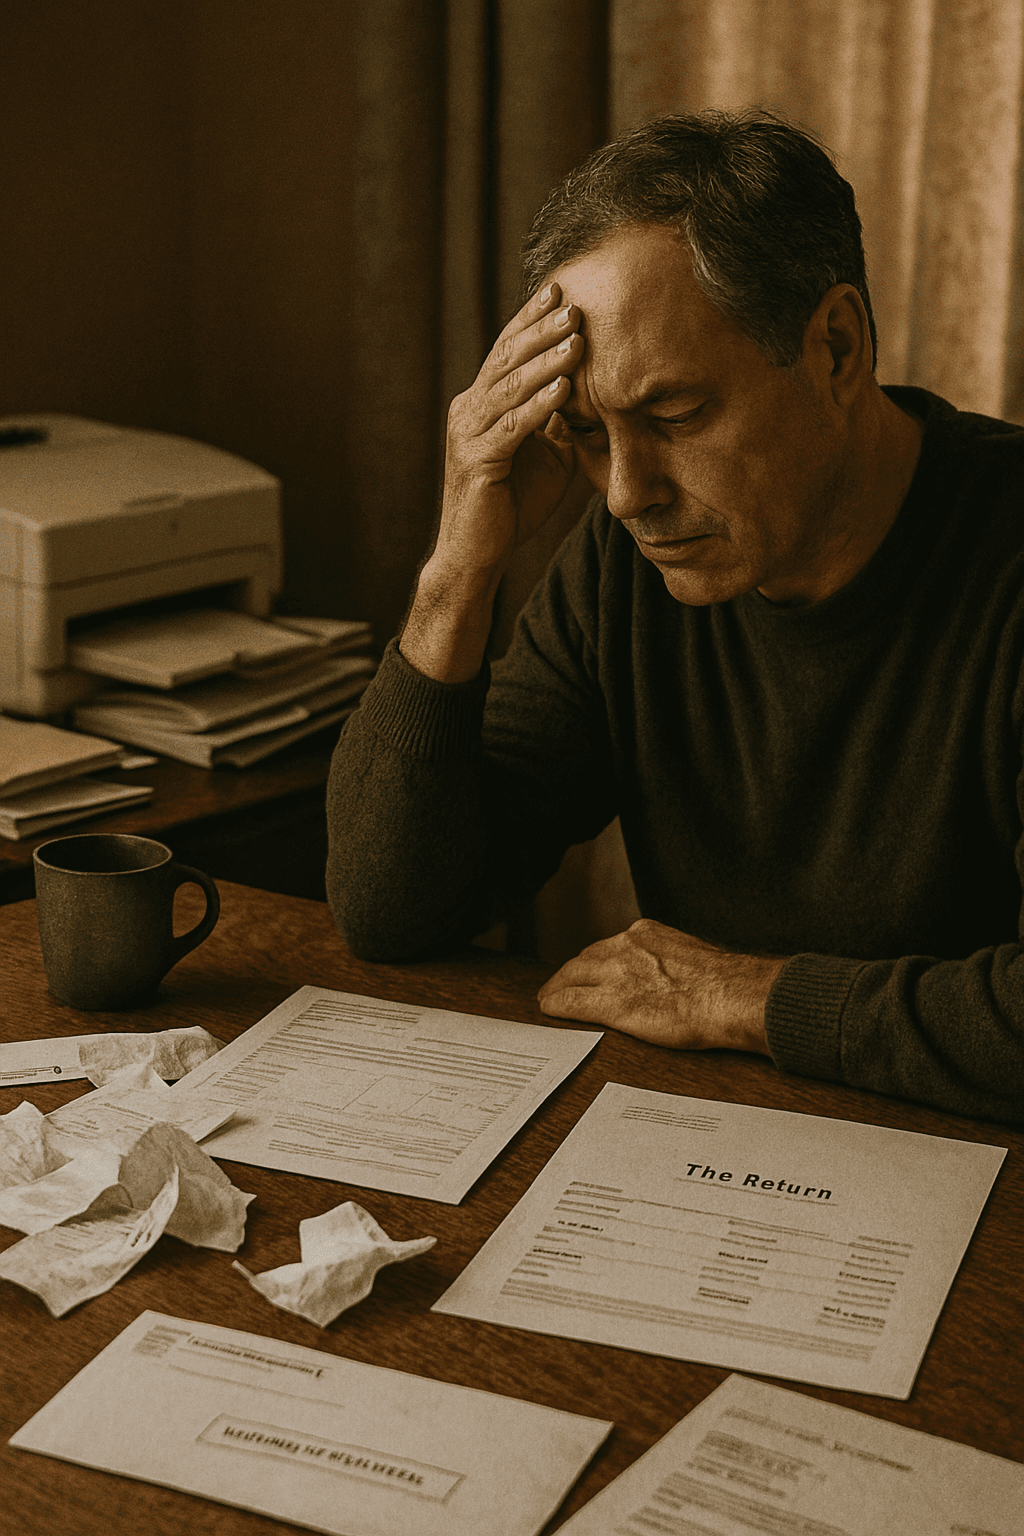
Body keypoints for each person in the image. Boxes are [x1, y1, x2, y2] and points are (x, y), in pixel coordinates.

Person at [326, 109, 1024, 1126]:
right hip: (724, 1142)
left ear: (835, 346)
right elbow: (395, 908)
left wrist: (743, 997)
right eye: (587, 432)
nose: (624, 493)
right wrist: (456, 573)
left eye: (675, 416)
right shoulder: (631, 556)